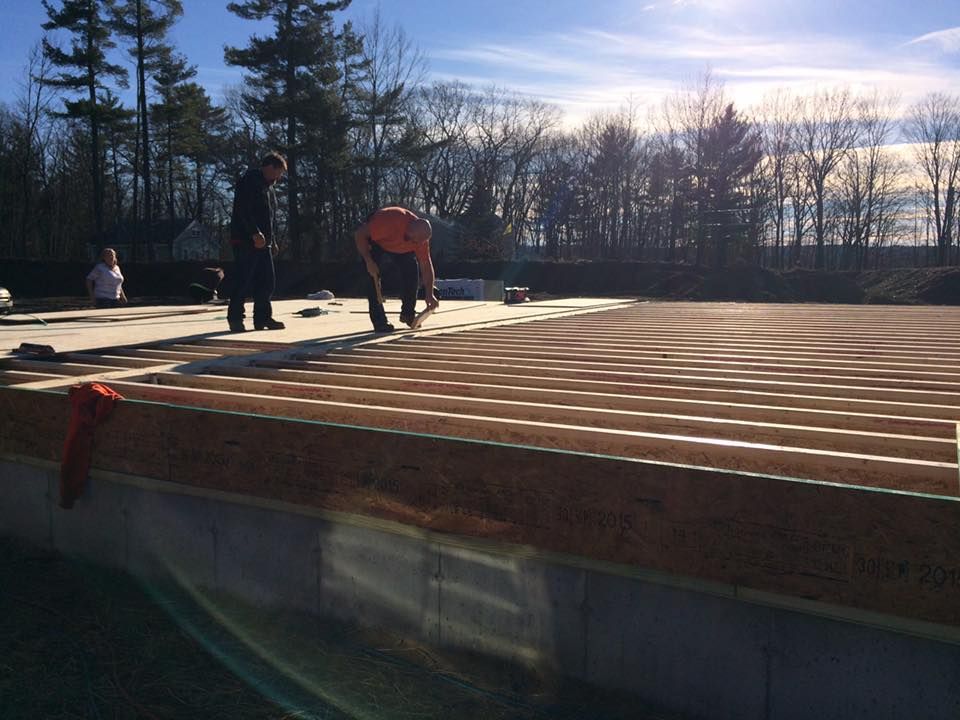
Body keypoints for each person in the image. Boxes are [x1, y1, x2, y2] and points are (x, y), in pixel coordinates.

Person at [227, 151, 287, 332]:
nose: (279, 177)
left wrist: (272, 240)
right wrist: (254, 233)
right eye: (279, 172)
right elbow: (243, 210)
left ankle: (262, 318)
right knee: (243, 280)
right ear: (270, 167)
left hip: (264, 243)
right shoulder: (250, 181)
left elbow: (269, 218)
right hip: (246, 240)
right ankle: (235, 318)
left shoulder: (268, 188)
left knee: (267, 281)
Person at [354, 207, 440, 332]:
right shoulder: (390, 220)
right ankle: (379, 321)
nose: (415, 243)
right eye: (414, 239)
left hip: (400, 247)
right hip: (377, 242)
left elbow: (426, 265)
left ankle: (408, 314)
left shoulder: (420, 239)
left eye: (417, 242)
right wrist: (368, 260)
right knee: (372, 277)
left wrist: (429, 294)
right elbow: (359, 234)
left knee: (411, 273)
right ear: (410, 228)